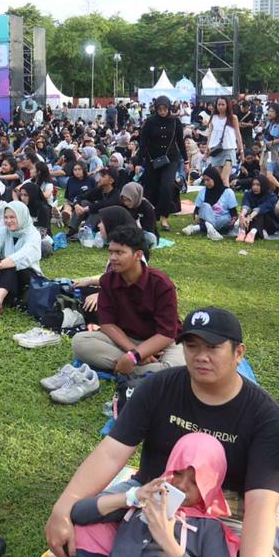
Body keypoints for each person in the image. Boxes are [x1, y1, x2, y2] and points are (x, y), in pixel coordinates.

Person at [46, 307, 279, 557]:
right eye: (192, 346)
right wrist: (63, 506)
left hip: (226, 511)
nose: (201, 356)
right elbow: (111, 452)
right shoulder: (160, 386)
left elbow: (261, 506)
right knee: (76, 532)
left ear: (238, 352)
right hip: (151, 491)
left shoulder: (264, 417)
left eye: (213, 347)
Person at [56, 432, 237, 557]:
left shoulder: (209, 528)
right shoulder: (143, 501)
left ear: (209, 486)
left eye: (195, 482)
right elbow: (78, 513)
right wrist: (131, 497)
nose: (182, 485)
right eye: (178, 473)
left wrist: (169, 543)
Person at [67, 225, 184, 387]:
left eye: (119, 252)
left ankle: (129, 368)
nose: (112, 258)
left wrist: (134, 356)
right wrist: (134, 353)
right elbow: (107, 324)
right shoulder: (108, 280)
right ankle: (144, 371)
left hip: (163, 342)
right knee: (80, 342)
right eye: (111, 252)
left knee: (177, 368)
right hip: (127, 339)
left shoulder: (160, 283)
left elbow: (167, 333)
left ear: (138, 255)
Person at [137, 96, 187, 232]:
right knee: (152, 187)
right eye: (160, 109)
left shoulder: (175, 121)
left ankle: (164, 217)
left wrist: (186, 160)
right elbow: (143, 142)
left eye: (165, 109)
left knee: (167, 186)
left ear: (169, 108)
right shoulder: (149, 122)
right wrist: (139, 161)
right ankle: (150, 216)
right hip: (152, 159)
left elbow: (180, 141)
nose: (162, 112)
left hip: (171, 159)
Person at [185, 167, 238, 241]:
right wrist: (196, 215)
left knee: (226, 218)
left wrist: (232, 221)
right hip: (207, 217)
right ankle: (210, 228)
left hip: (221, 220)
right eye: (204, 180)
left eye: (208, 180)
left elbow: (233, 213)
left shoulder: (228, 192)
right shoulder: (203, 192)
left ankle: (197, 228)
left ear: (215, 178)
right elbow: (197, 210)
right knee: (205, 206)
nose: (206, 183)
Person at [236, 175, 279, 243]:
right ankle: (242, 231)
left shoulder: (272, 196)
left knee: (259, 213)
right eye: (253, 184)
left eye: (258, 185)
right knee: (245, 212)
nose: (255, 187)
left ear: (263, 185)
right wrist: (242, 215)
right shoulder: (248, 194)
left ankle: (252, 232)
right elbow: (246, 205)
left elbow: (261, 208)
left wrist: (249, 217)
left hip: (268, 223)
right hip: (250, 221)